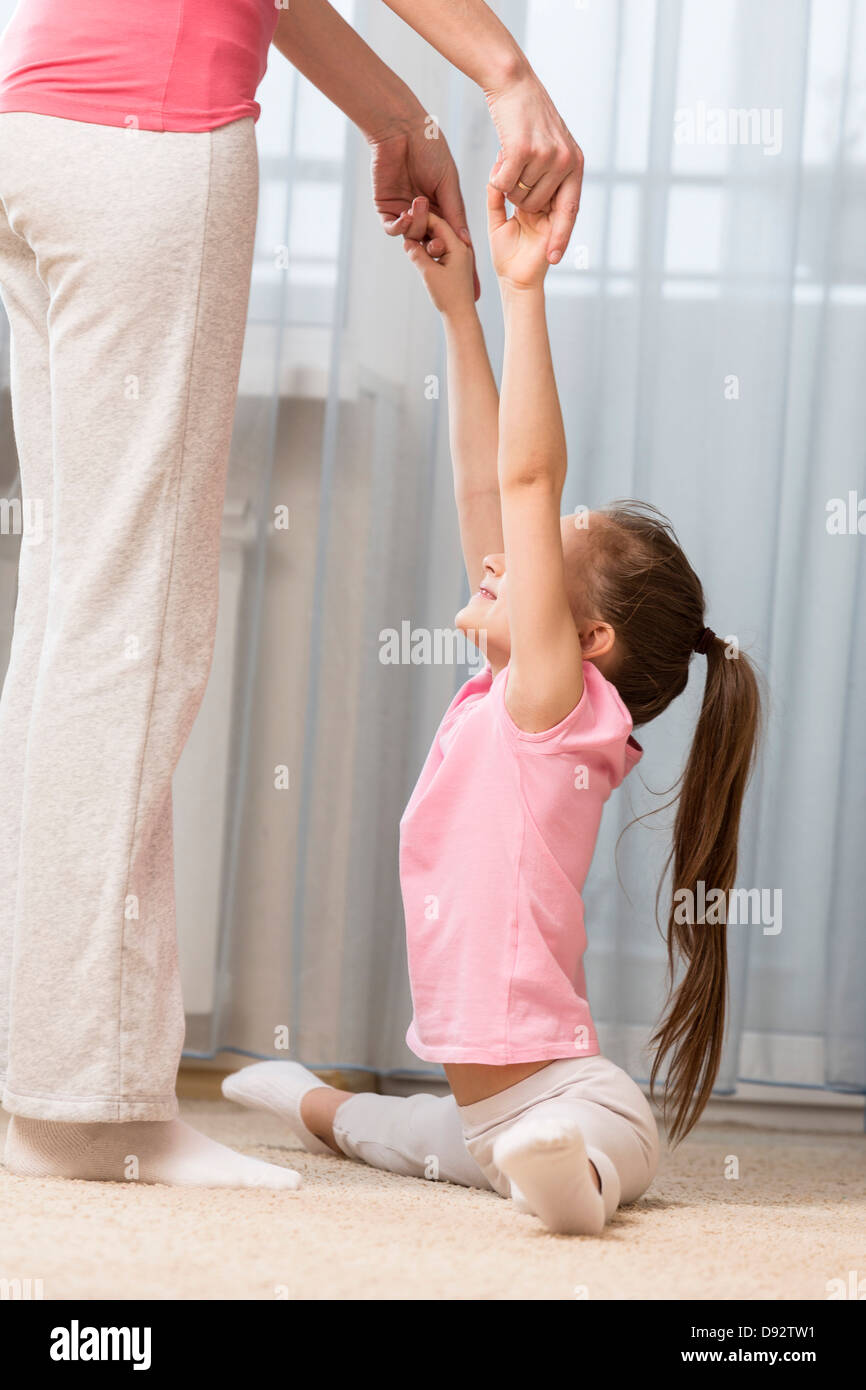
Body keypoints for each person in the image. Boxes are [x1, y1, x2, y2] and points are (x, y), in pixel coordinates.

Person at [0, 0, 582, 1188]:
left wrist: (397, 114)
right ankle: (92, 1111)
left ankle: (43, 1082)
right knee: (133, 630)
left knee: (73, 619)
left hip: (42, 133)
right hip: (150, 154)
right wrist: (503, 74)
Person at [224, 190, 762, 1234]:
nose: (500, 543)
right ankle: (308, 1098)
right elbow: (489, 476)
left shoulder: (557, 708)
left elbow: (523, 469)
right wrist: (457, 315)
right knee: (392, 1130)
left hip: (572, 1096)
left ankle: (574, 1191)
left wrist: (524, 292)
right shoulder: (507, 697)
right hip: (488, 1115)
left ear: (584, 638)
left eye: (535, 544)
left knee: (602, 1146)